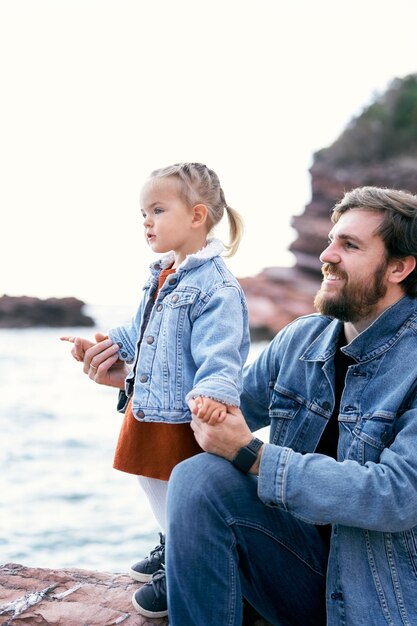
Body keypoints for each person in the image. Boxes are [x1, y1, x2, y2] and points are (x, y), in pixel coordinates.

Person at [165, 186, 417, 626]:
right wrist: (138, 378)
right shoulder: (302, 339)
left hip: (379, 600)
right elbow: (222, 404)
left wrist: (254, 455)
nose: (329, 256)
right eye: (331, 240)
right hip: (299, 575)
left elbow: (396, 496)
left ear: (398, 267)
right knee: (200, 476)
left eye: (350, 245)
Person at [61, 162, 250, 618]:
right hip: (149, 406)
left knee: (176, 489)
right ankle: (170, 544)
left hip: (182, 413)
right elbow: (141, 328)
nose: (146, 221)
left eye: (157, 209)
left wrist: (214, 394)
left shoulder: (216, 287)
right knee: (152, 481)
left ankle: (185, 563)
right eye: (142, 212)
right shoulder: (164, 272)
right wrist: (107, 346)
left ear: (197, 216)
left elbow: (222, 352)